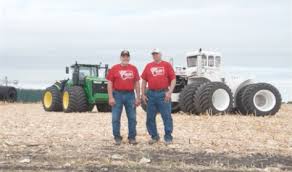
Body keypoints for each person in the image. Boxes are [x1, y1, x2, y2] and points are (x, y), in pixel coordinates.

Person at [141, 49, 176, 145]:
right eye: (153, 54)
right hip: (151, 94)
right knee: (150, 117)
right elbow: (144, 81)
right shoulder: (148, 66)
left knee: (166, 116)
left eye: (156, 54)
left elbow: (173, 79)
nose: (155, 55)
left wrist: (170, 92)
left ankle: (168, 137)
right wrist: (143, 94)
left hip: (163, 93)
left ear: (160, 54)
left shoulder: (167, 65)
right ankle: (154, 136)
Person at [106, 50, 141, 145]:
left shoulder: (134, 69)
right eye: (123, 56)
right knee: (115, 118)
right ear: (120, 57)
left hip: (130, 95)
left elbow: (137, 83)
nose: (125, 58)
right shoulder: (114, 68)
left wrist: (138, 97)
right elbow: (109, 83)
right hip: (117, 94)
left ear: (129, 58)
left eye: (127, 56)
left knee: (132, 118)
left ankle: (132, 137)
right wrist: (110, 97)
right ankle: (117, 137)